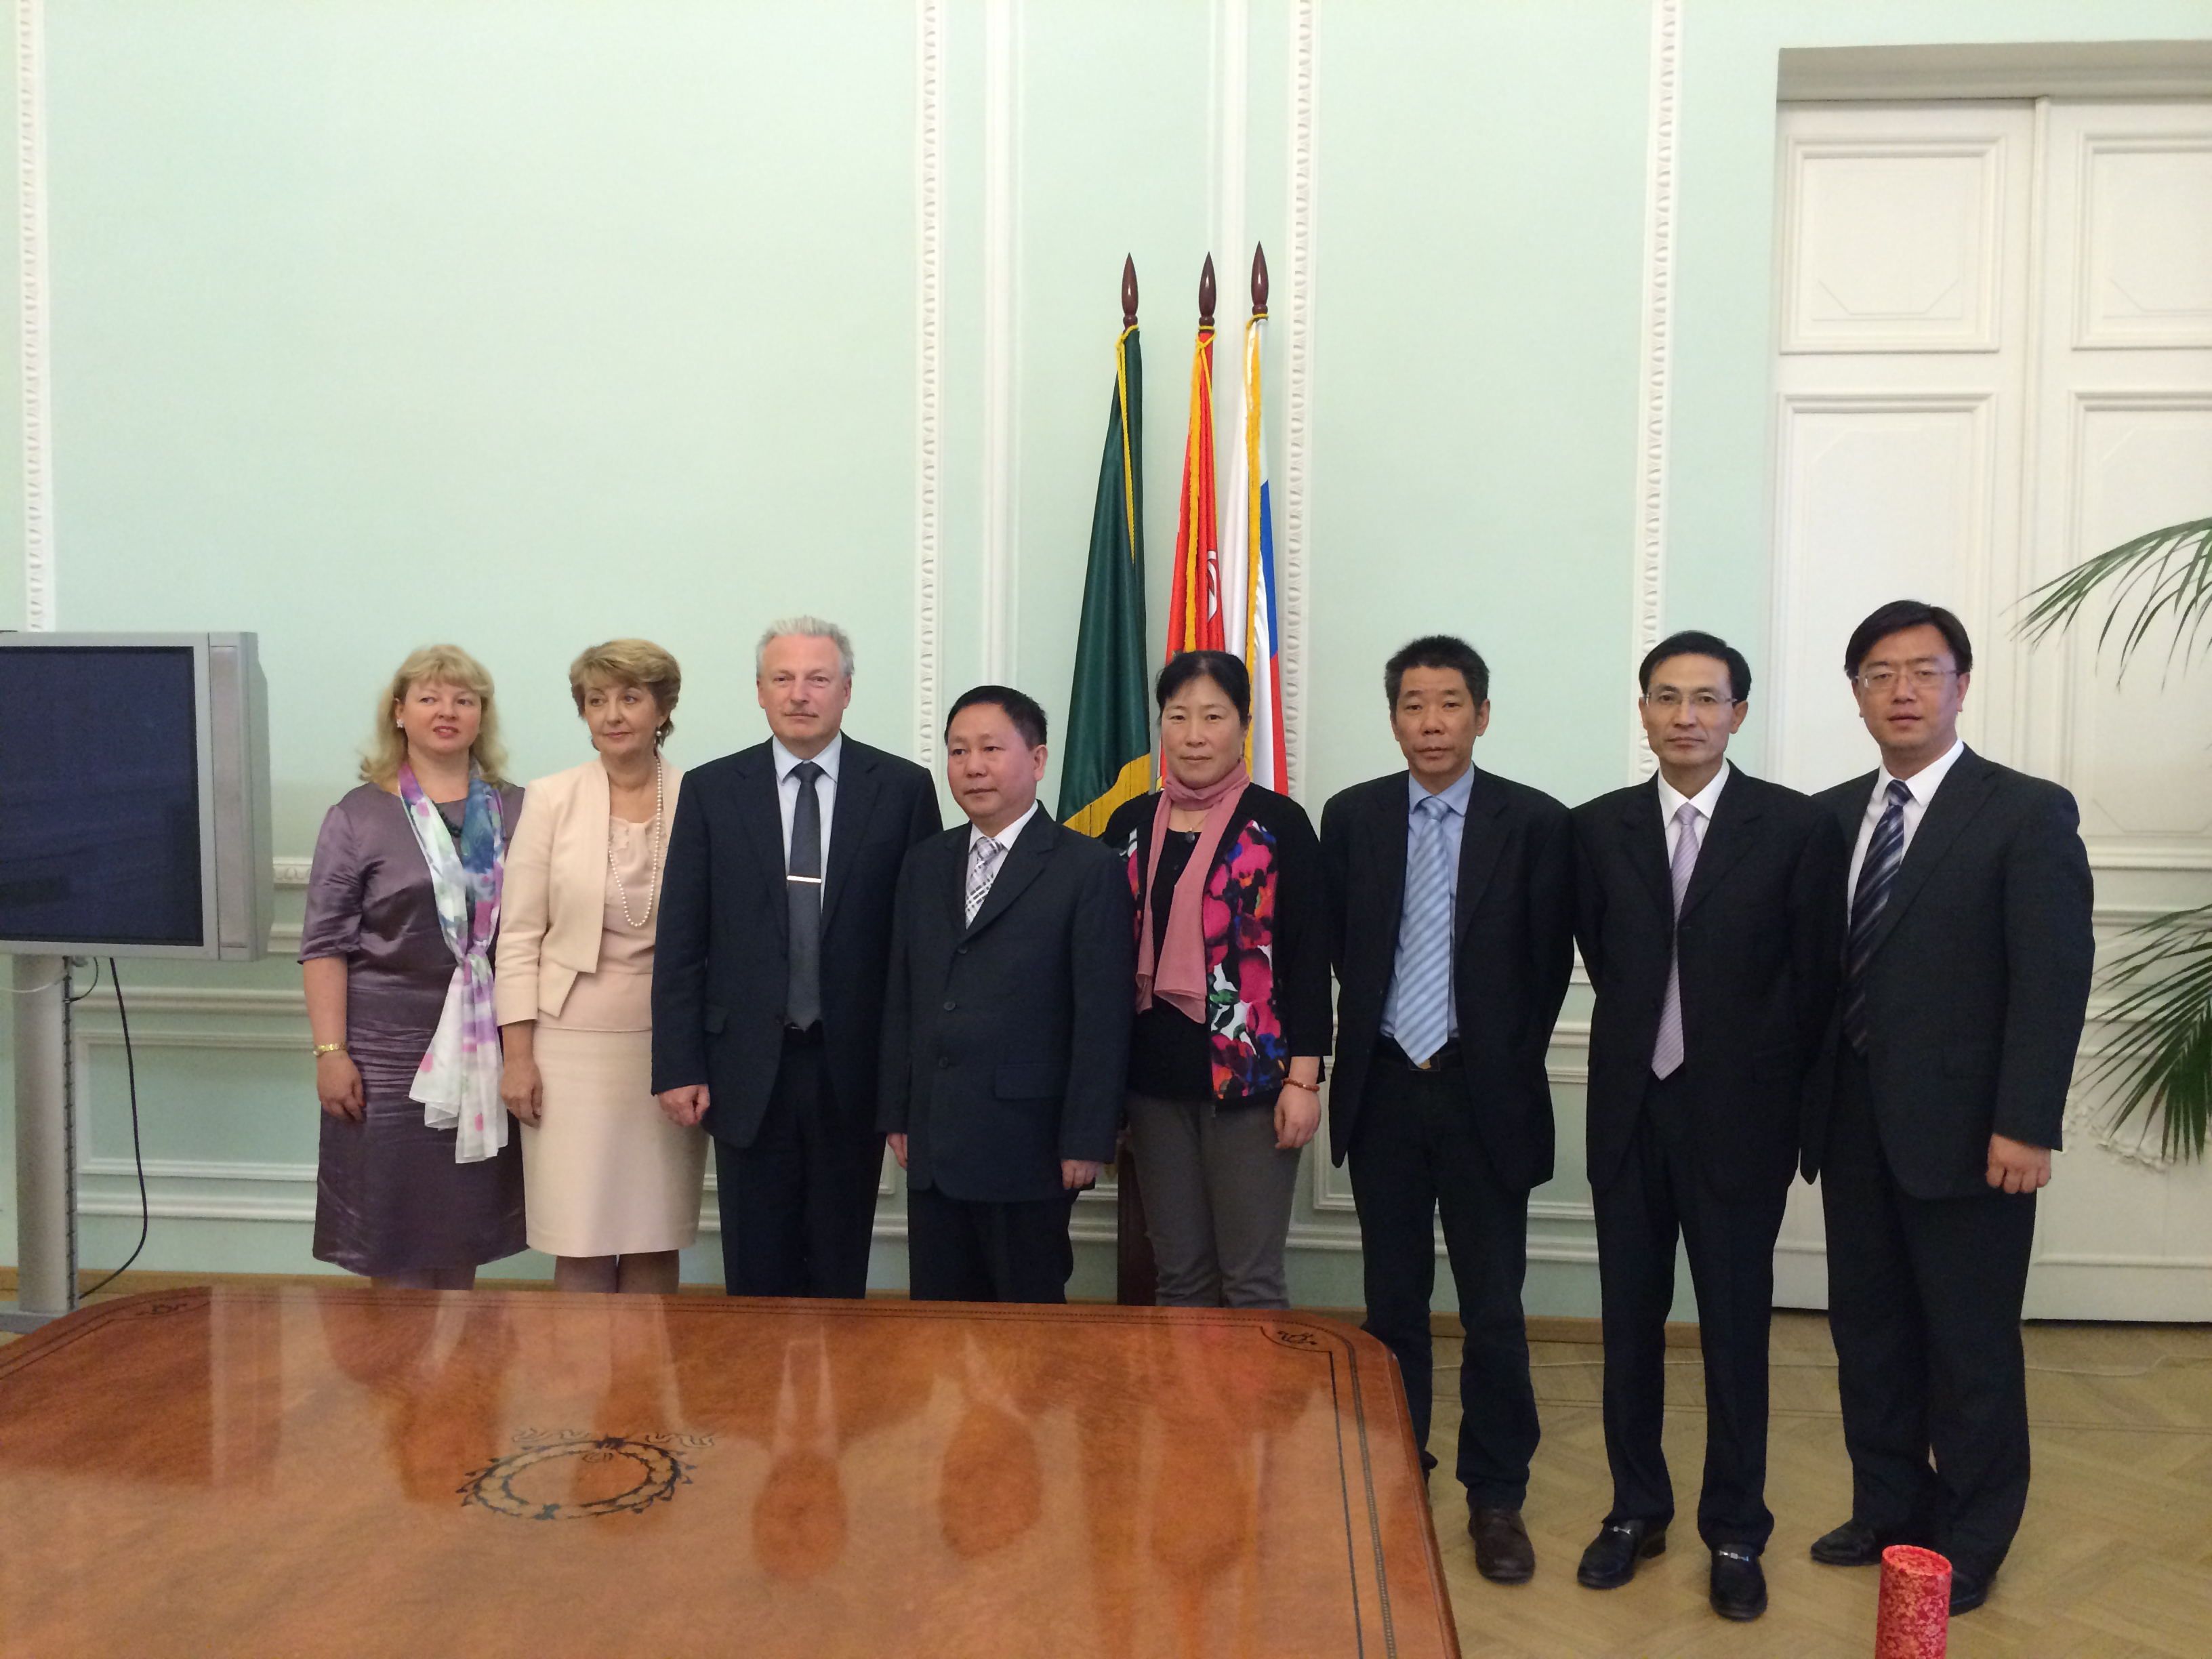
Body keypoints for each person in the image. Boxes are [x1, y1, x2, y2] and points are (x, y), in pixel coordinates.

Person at [1803, 600, 2093, 1616]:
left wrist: (2028, 1122)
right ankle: (1889, 1509)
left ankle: (1973, 1536)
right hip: (1851, 1126)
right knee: (1870, 1335)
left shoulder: (2024, 811)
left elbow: (2052, 980)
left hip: (1976, 1137)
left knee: (1970, 1348)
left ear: (1961, 685)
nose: (1903, 691)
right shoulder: (1829, 817)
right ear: (1856, 693)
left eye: (1924, 672)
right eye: (1880, 674)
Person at [1569, 630, 1846, 1621]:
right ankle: (1634, 1510)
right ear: (1643, 711)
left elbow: (1816, 983)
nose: (1685, 715)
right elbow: (1605, 956)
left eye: (1706, 698)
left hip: (1742, 1121)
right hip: (1630, 1114)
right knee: (1628, 1328)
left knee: (1733, 1333)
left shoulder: (1797, 827)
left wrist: (1803, 1124)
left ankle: (1736, 1529)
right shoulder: (1595, 829)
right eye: (1667, 697)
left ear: (1738, 713)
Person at [1320, 634, 1574, 1584]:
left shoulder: (1535, 822)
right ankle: (1396, 1472)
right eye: (1413, 705)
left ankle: (1496, 1495)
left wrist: (1490, 1055)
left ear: (1482, 714)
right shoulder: (1353, 817)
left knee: (1493, 1308)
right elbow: (1342, 946)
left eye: (1450, 703)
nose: (1431, 722)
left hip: (1484, 1094)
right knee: (1393, 1306)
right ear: (1393, 718)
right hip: (1385, 1087)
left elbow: (1546, 966)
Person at [652, 617, 940, 1298]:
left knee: (840, 1271)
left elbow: (920, 953)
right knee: (755, 1276)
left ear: (847, 691)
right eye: (782, 678)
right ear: (759, 691)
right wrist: (678, 1063)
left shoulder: (902, 790)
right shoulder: (713, 790)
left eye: (817, 678)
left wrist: (910, 1085)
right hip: (745, 1067)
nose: (799, 694)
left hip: (854, 1070)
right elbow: (682, 939)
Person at [878, 686, 1134, 1303]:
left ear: (1038, 760)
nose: (973, 766)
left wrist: (1086, 1137)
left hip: (1030, 1142)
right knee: (938, 1324)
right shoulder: (925, 863)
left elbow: (1102, 1017)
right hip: (935, 1135)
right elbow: (902, 994)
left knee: (1026, 1327)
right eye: (958, 751)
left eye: (991, 749)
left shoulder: (1088, 868)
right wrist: (898, 1112)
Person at [1100, 650, 1330, 1309]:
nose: (1194, 735)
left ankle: (1256, 1388)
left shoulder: (1279, 824)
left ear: (1243, 725)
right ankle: (1189, 1387)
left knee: (1251, 1281)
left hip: (1252, 1085)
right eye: (1178, 716)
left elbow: (1308, 957)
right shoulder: (1128, 825)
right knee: (1180, 1278)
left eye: (1213, 716)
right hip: (1150, 1084)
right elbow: (1104, 957)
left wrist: (1304, 1081)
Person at [301, 644, 527, 1289]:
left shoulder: (518, 809)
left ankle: (456, 1355)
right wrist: (330, 1053)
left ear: (482, 715)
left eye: (463, 699)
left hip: (487, 1044)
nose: (446, 711)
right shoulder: (358, 815)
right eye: (429, 698)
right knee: (394, 1232)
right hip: (385, 1052)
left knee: (464, 1223)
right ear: (399, 713)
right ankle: (396, 1356)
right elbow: (324, 945)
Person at [496, 639, 705, 1294]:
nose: (612, 715)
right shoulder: (551, 798)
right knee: (579, 1237)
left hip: (668, 1050)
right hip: (567, 1049)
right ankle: (579, 1366)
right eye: (596, 700)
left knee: (653, 1235)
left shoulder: (703, 796)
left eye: (630, 698)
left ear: (663, 709)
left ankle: (645, 1369)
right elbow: (518, 935)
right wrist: (518, 1057)